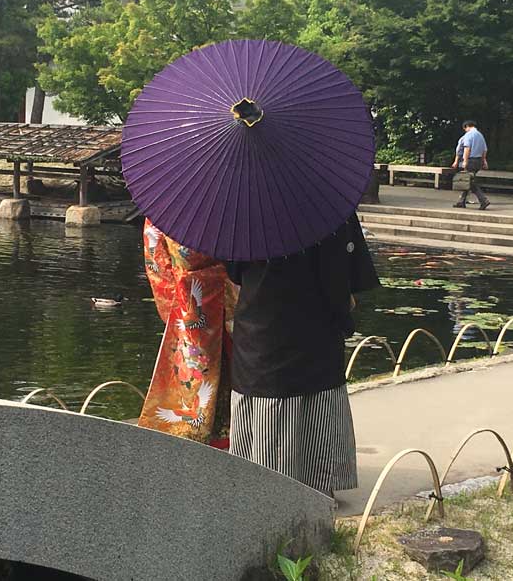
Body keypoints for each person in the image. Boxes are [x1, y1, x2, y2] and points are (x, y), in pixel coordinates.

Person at [225, 213, 380, 497]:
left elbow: (234, 270)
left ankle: (260, 489)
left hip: (262, 327)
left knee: (266, 415)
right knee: (316, 415)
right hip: (314, 329)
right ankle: (317, 492)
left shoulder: (246, 207)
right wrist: (345, 311)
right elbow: (339, 278)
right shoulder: (331, 207)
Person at [138, 219, 237, 447]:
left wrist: (173, 300)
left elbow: (156, 261)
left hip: (187, 297)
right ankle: (228, 432)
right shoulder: (233, 201)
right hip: (223, 292)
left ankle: (198, 433)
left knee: (192, 369)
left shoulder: (167, 205)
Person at [452, 120, 491, 210]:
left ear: (466, 126)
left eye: (465, 129)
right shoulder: (480, 135)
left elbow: (467, 148)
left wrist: (465, 161)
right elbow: (484, 150)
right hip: (478, 161)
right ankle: (461, 202)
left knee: (470, 182)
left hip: (471, 160)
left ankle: (483, 200)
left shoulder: (469, 135)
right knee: (468, 180)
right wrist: (484, 161)